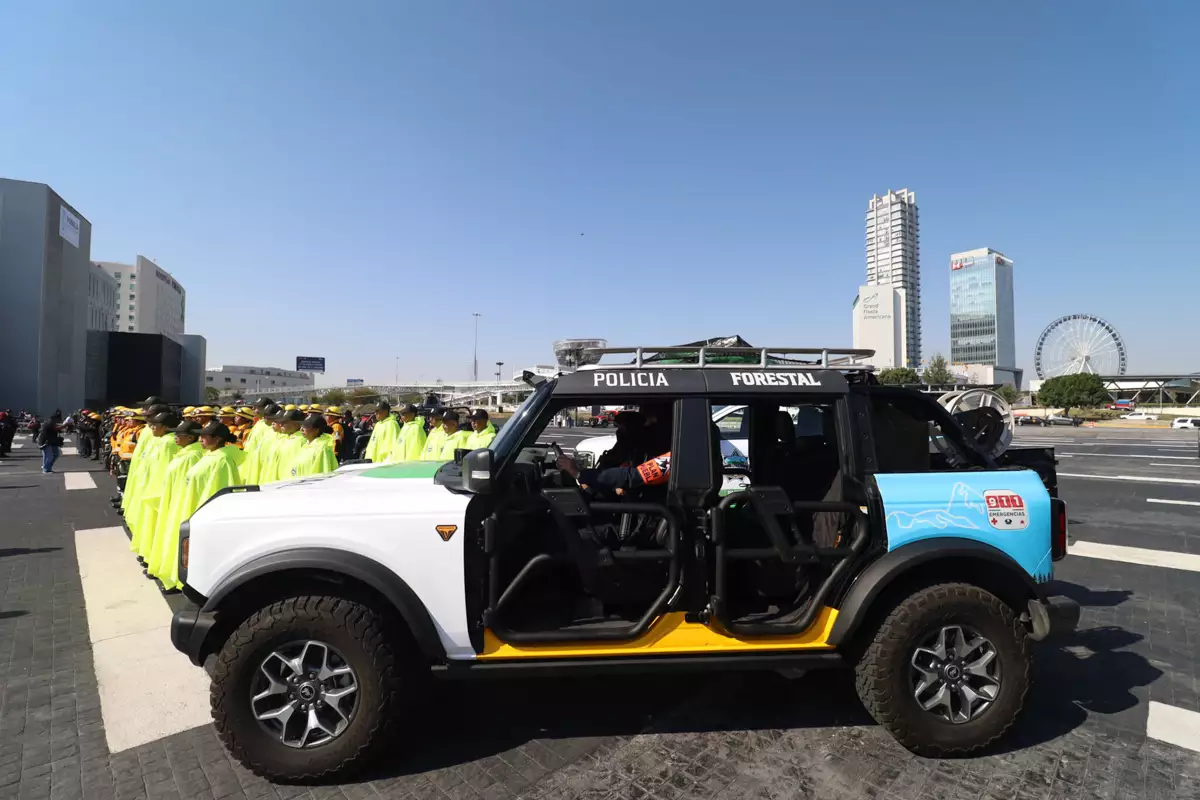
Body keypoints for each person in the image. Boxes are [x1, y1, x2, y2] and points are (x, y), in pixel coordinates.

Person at [146, 420, 205, 590]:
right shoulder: (184, 454)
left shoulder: (192, 456)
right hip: (174, 501)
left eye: (180, 435)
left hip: (181, 503)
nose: (175, 438)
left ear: (191, 438)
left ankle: (178, 580)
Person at [128, 411, 182, 561]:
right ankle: (149, 555)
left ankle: (154, 558)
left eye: (155, 425)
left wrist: (155, 494)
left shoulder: (168, 442)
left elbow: (163, 470)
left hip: (157, 492)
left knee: (155, 527)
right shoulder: (162, 440)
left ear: (164, 427)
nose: (151, 427)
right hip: (149, 486)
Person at [262, 409, 306, 483]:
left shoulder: (301, 441)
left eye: (284, 422)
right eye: (280, 422)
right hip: (278, 482)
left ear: (296, 424)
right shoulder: (286, 438)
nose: (280, 424)